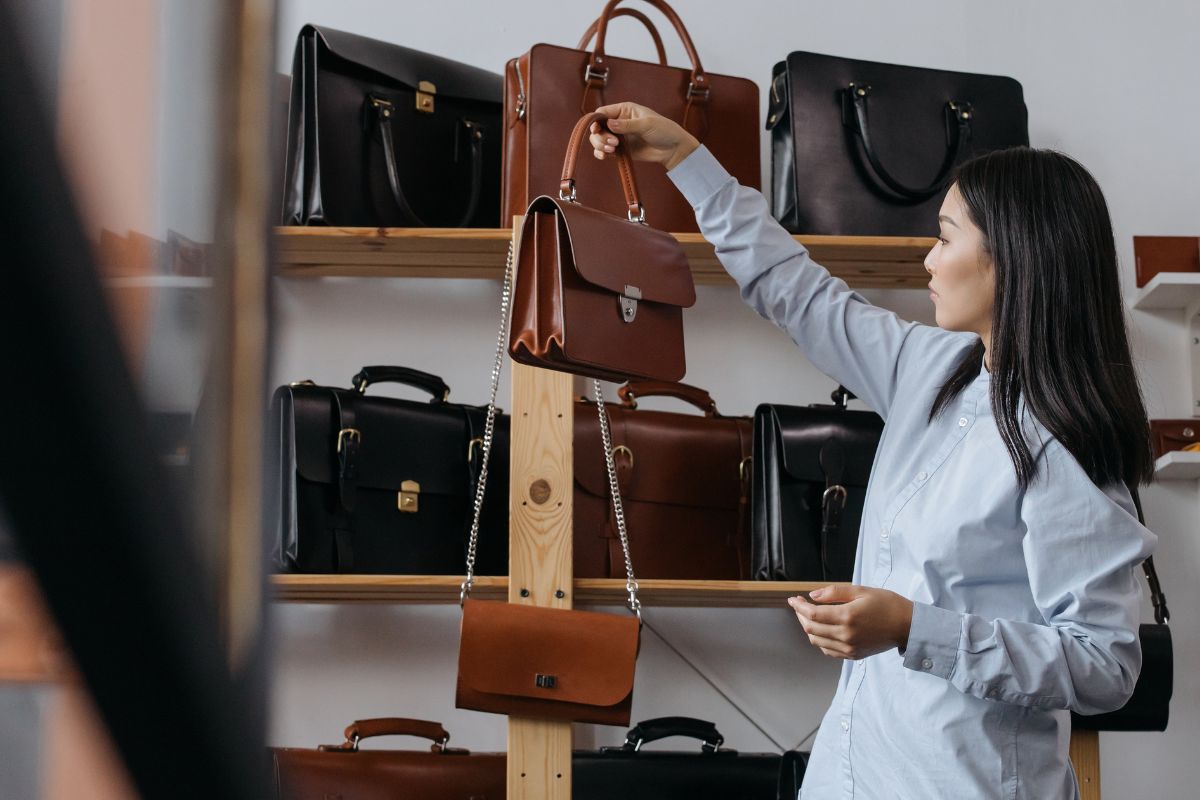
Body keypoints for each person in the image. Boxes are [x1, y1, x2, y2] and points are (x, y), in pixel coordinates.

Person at [589, 102, 1155, 799]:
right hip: (850, 776)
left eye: (945, 239)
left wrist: (916, 627)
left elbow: (1105, 666)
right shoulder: (934, 367)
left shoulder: (1066, 439)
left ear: (1011, 258)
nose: (928, 259)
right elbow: (797, 293)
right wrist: (685, 157)